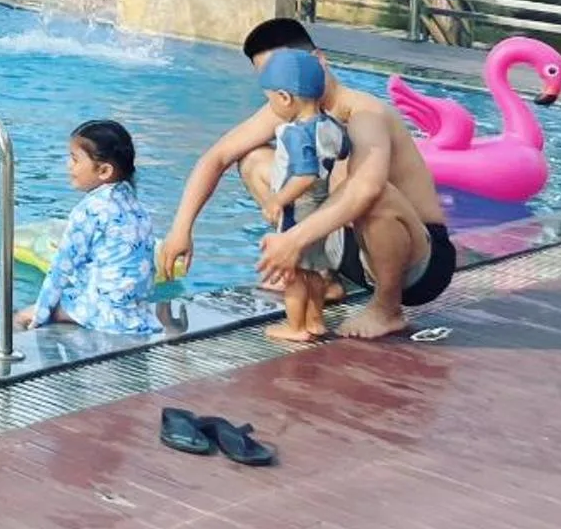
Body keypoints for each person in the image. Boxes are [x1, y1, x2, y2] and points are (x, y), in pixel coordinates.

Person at [157, 18, 456, 339]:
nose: (276, 88)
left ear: (317, 61)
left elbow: (366, 189)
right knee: (255, 161)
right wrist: (181, 229)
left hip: (419, 263)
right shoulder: (290, 107)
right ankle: (320, 276)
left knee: (369, 188)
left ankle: (387, 308)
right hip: (353, 248)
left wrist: (292, 242)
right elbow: (217, 157)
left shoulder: (365, 114)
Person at [15, 119, 161, 337]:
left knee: (20, 316)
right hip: (135, 312)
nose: (68, 165)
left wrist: (40, 315)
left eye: (75, 159)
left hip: (103, 312)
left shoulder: (90, 209)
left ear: (103, 170)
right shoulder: (136, 206)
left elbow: (60, 270)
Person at [260, 49, 348, 343]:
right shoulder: (329, 123)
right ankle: (316, 321)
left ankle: (296, 326)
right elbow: (344, 149)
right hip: (323, 208)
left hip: (299, 211)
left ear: (285, 98)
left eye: (270, 99)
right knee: (314, 272)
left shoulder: (294, 133)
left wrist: (278, 199)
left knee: (294, 274)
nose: (271, 105)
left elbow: (304, 174)